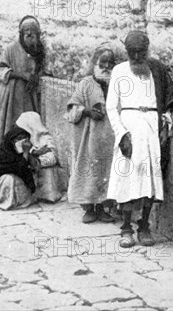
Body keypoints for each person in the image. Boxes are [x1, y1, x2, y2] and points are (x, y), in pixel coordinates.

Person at [106, 30, 173, 248]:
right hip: (128, 128)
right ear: (126, 52)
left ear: (146, 51)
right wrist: (121, 134)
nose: (137, 57)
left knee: (149, 178)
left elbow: (171, 96)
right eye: (132, 53)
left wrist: (166, 114)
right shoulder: (119, 71)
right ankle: (126, 228)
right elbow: (111, 107)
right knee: (127, 179)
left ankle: (145, 226)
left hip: (150, 129)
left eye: (141, 52)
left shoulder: (155, 69)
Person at [65, 45, 117, 224]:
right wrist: (87, 111)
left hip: (108, 139)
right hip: (89, 139)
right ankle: (89, 208)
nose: (106, 66)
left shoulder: (116, 84)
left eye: (111, 63)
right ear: (95, 63)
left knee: (106, 172)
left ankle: (102, 208)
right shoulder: (86, 84)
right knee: (88, 172)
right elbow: (72, 108)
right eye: (102, 63)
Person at [0, 15, 47, 149]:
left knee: (27, 126)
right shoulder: (11, 48)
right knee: (11, 126)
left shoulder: (37, 50)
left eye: (32, 31)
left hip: (28, 96)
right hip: (11, 96)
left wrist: (34, 78)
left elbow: (40, 70)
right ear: (21, 33)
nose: (29, 34)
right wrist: (22, 75)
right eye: (26, 31)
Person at [15, 112, 63, 203]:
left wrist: (35, 158)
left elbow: (52, 157)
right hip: (30, 166)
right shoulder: (24, 138)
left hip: (42, 167)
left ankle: (46, 196)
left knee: (47, 171)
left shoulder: (46, 139)